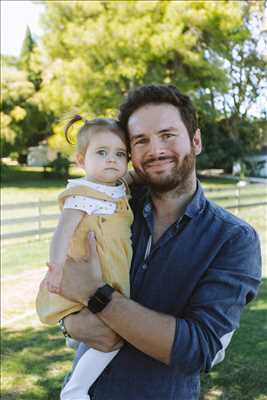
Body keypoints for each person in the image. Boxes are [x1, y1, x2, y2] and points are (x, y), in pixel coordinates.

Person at [48, 84, 262, 400]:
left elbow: (198, 350)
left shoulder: (232, 239)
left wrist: (98, 295)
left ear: (196, 140)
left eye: (167, 135)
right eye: (141, 141)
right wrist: (68, 324)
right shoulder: (114, 209)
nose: (155, 149)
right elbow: (66, 273)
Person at [36, 116, 134, 400]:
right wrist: (55, 269)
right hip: (91, 278)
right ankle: (75, 390)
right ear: (81, 160)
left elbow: (132, 178)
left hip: (111, 276)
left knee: (105, 334)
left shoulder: (118, 190)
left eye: (120, 154)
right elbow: (62, 233)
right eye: (101, 153)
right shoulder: (82, 194)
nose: (112, 160)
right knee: (111, 340)